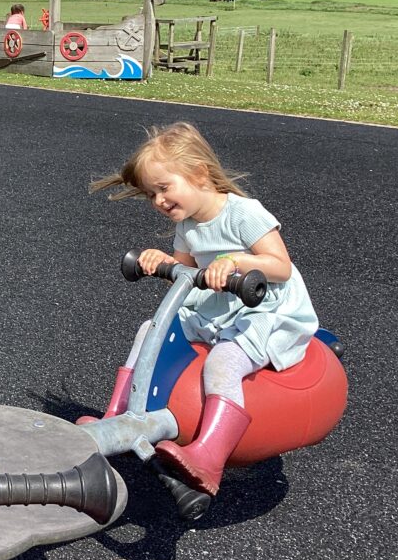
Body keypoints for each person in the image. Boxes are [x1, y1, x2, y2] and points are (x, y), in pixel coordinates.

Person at [90, 121, 319, 499]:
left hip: (264, 311)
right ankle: (116, 415)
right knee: (150, 330)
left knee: (222, 363)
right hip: (217, 307)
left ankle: (210, 456)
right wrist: (161, 261)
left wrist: (235, 261)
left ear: (198, 174)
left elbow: (281, 267)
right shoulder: (188, 225)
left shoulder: (244, 213)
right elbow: (185, 276)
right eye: (151, 194)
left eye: (164, 188)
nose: (158, 201)